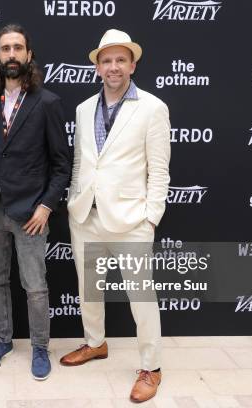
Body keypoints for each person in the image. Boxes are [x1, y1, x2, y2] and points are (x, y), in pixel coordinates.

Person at [59, 29, 171, 403]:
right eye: (106, 60)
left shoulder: (153, 108)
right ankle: (95, 343)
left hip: (131, 220)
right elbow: (80, 161)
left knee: (141, 296)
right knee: (89, 290)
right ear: (97, 67)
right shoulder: (83, 108)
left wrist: (151, 217)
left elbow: (160, 170)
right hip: (85, 215)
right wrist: (76, 198)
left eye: (120, 60)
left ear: (133, 65)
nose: (113, 66)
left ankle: (151, 368)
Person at [0, 24, 71, 381]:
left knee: (35, 286)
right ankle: (2, 341)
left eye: (18, 48)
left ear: (29, 55)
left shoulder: (48, 103)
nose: (11, 54)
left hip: (30, 213)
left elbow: (61, 165)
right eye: (5, 48)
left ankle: (40, 348)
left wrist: (46, 207)